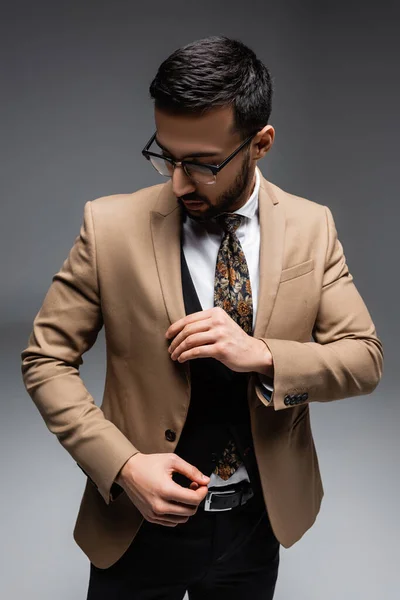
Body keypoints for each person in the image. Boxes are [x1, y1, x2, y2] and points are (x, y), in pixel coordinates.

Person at [20, 35, 384, 600]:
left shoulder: (314, 227)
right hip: (136, 524)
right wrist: (122, 467)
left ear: (260, 143)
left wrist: (262, 354)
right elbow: (46, 359)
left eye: (204, 164)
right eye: (167, 154)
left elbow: (364, 358)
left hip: (256, 525)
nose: (179, 181)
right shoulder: (109, 226)